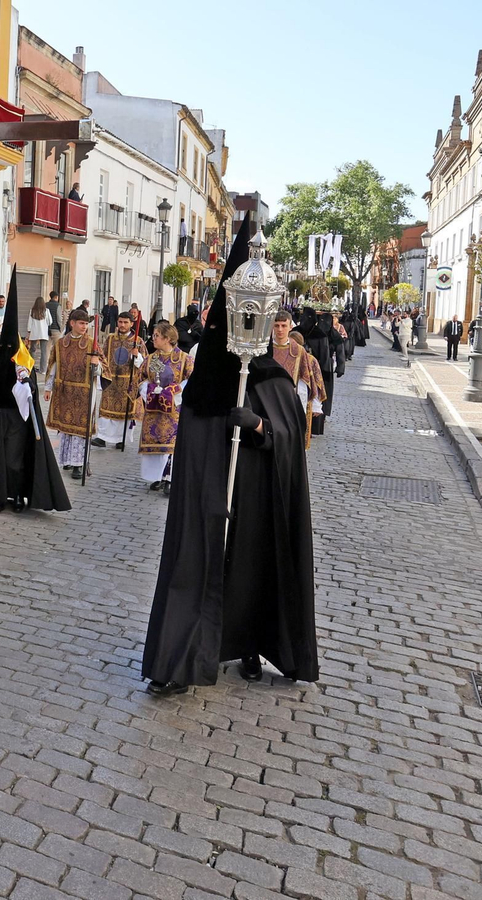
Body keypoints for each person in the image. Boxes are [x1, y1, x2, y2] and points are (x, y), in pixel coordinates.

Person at [142, 221, 317, 695]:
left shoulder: (272, 381)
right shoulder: (204, 385)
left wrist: (258, 426)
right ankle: (179, 659)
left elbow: (288, 440)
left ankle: (251, 647)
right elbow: (190, 441)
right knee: (193, 569)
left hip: (253, 506)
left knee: (250, 573)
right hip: (206, 506)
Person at [0, 271, 70, 515]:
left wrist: (26, 382)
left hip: (17, 420)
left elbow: (31, 392)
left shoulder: (25, 367)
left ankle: (18, 495)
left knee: (15, 460)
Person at [138, 321, 193, 493]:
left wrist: (174, 391)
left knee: (173, 444)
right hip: (154, 409)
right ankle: (157, 476)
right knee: (156, 443)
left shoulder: (185, 359)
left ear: (167, 339)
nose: (153, 338)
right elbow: (139, 378)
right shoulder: (150, 359)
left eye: (156, 336)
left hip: (174, 410)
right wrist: (149, 389)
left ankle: (170, 478)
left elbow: (192, 380)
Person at [45, 311, 99, 476]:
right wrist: (48, 387)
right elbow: (53, 366)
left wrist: (96, 365)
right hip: (65, 390)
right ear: (72, 324)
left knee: (81, 430)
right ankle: (68, 460)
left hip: (85, 391)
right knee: (66, 428)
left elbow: (104, 371)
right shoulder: (61, 344)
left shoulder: (92, 344)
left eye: (86, 324)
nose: (85, 327)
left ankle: (79, 464)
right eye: (81, 323)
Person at [267, 311, 327, 446]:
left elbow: (306, 380)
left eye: (283, 325)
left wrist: (308, 407)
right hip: (269, 399)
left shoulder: (299, 351)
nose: (280, 329)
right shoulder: (266, 349)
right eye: (277, 326)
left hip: (291, 401)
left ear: (290, 327)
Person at [94, 315, 146, 450]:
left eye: (125, 322)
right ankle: (102, 437)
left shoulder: (138, 341)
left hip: (127, 382)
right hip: (111, 380)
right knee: (106, 409)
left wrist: (137, 356)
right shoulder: (110, 339)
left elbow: (144, 365)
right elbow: (103, 356)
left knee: (124, 413)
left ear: (132, 324)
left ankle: (120, 439)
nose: (122, 325)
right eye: (120, 322)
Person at [297, 307, 335, 436]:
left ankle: (311, 429)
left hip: (314, 372)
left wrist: (324, 375)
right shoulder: (295, 332)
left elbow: (324, 356)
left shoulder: (320, 335)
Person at [26, 296, 52, 374]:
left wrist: (29, 331)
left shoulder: (32, 311)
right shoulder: (46, 311)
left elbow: (30, 323)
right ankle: (43, 370)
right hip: (44, 333)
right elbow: (50, 321)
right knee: (44, 352)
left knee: (32, 350)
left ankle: (31, 367)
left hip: (34, 333)